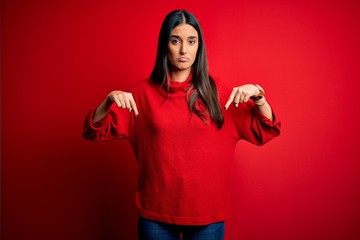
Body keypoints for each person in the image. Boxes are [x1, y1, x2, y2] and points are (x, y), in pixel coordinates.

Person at [83, 9, 281, 240]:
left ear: (199, 46)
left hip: (207, 218)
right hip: (155, 217)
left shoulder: (220, 93)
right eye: (175, 40)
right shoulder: (140, 94)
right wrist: (107, 101)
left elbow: (266, 130)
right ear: (165, 45)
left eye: (191, 41)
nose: (184, 50)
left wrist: (259, 97)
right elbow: (92, 131)